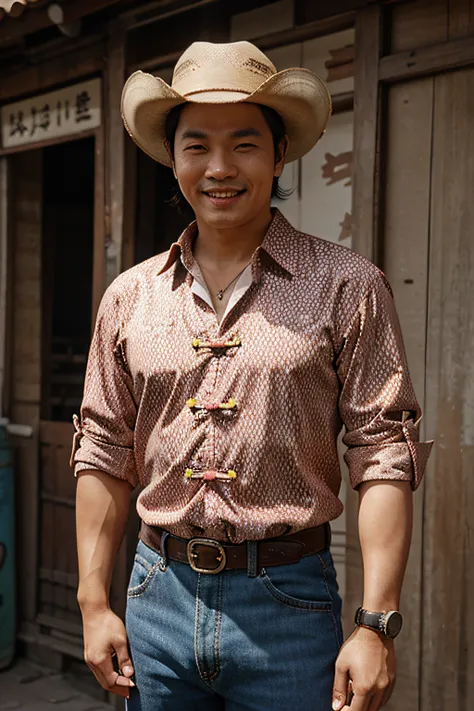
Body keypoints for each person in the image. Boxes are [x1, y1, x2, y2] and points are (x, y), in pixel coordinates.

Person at [72, 40, 433, 711]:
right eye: (196, 145)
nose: (218, 167)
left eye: (243, 144)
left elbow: (384, 452)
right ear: (172, 157)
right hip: (157, 599)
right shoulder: (129, 297)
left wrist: (376, 622)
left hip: (289, 605)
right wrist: (95, 602)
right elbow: (101, 448)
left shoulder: (347, 287)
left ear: (278, 153)